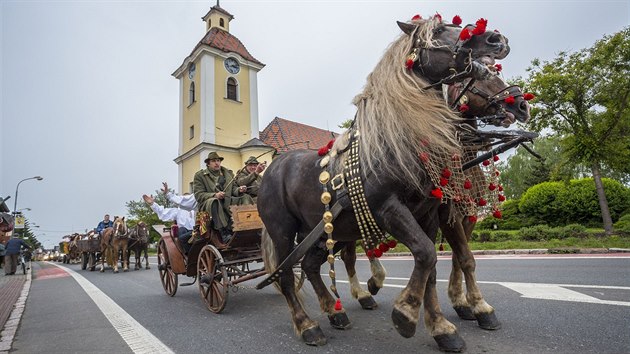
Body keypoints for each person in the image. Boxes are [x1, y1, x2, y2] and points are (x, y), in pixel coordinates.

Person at [193, 151, 251, 242]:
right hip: (208, 207)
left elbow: (233, 188)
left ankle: (248, 224)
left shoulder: (227, 173)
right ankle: (223, 232)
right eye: (213, 161)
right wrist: (215, 195)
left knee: (245, 197)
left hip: (227, 202)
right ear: (208, 164)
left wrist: (239, 190)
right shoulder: (200, 176)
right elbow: (198, 195)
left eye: (218, 160)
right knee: (214, 201)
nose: (217, 163)